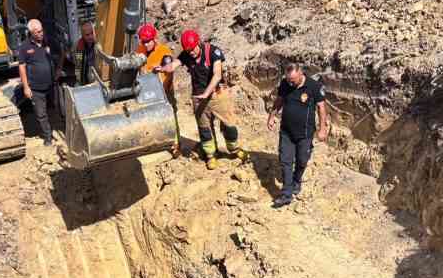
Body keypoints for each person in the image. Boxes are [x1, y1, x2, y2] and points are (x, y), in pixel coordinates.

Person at [156, 29, 247, 170]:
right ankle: (210, 155)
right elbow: (174, 64)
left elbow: (217, 75)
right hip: (198, 97)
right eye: (188, 50)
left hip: (217, 94)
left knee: (229, 125)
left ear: (198, 43)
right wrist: (164, 68)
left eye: (192, 49)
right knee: (204, 129)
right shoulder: (186, 54)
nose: (190, 53)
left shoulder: (213, 52)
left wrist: (207, 92)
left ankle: (234, 149)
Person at [267, 62, 329, 207]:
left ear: (301, 74)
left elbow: (321, 108)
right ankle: (286, 193)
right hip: (286, 131)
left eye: (293, 80)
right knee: (285, 161)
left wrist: (322, 128)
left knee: (302, 160)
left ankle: (297, 181)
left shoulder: (314, 87)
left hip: (305, 133)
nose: (290, 83)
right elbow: (279, 100)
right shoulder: (285, 84)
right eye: (288, 80)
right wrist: (272, 116)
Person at [137, 23, 180, 157]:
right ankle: (156, 143)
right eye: (143, 42)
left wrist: (162, 90)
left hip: (164, 91)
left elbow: (168, 73)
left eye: (148, 41)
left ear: (154, 39)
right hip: (147, 92)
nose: (146, 45)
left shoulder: (164, 52)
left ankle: (176, 145)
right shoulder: (139, 51)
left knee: (170, 117)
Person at [17, 19, 59, 146]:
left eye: (42, 30)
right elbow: (22, 66)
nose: (41, 33)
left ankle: (58, 129)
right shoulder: (25, 47)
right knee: (41, 114)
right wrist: (26, 87)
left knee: (56, 108)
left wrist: (59, 69)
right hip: (35, 88)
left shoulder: (49, 41)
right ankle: (47, 137)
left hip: (51, 85)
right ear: (31, 33)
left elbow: (62, 52)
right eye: (38, 32)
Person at [70, 21, 97, 86]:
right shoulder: (78, 47)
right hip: (85, 80)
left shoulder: (98, 44)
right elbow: (78, 66)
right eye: (87, 35)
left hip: (96, 79)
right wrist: (78, 82)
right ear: (82, 35)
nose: (90, 36)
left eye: (92, 33)